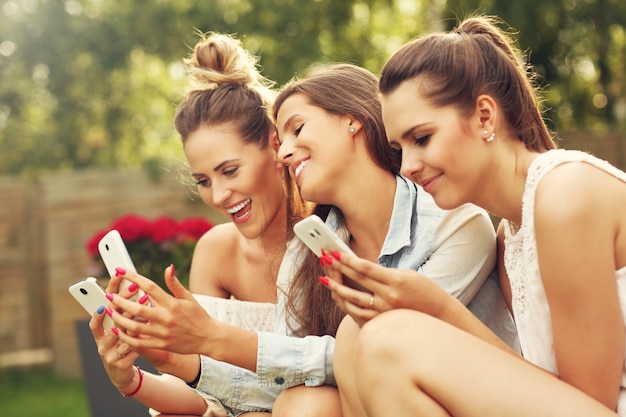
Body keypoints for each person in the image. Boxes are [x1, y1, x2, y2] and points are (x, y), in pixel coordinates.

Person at [321, 15, 626, 416]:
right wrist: (429, 307)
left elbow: (592, 403)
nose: (408, 165)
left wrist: (437, 308)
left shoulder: (565, 195)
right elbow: (540, 390)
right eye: (399, 149)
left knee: (389, 341)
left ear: (485, 116)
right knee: (353, 337)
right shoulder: (509, 237)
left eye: (422, 138)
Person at [90, 32, 343, 417]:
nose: (220, 195)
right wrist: (131, 380)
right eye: (204, 181)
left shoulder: (334, 235)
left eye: (230, 170)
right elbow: (206, 398)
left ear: (276, 146)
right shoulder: (217, 251)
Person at [272, 62, 518, 413]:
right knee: (306, 403)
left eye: (297, 129)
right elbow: (287, 374)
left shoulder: (455, 224)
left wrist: (224, 345)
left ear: (351, 119)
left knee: (355, 336)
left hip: (469, 399)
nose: (283, 153)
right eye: (280, 143)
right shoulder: (305, 251)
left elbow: (392, 347)